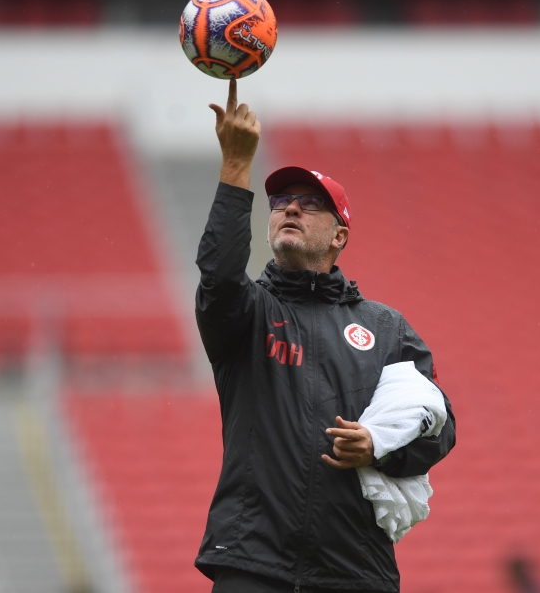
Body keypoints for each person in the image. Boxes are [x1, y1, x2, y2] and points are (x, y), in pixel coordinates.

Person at [193, 79, 456, 593]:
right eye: (282, 201)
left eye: (310, 203)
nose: (290, 208)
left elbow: (438, 429)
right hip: (252, 563)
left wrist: (378, 446)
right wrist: (236, 167)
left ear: (339, 235)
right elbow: (218, 276)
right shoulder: (248, 312)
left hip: (354, 569)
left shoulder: (386, 328)